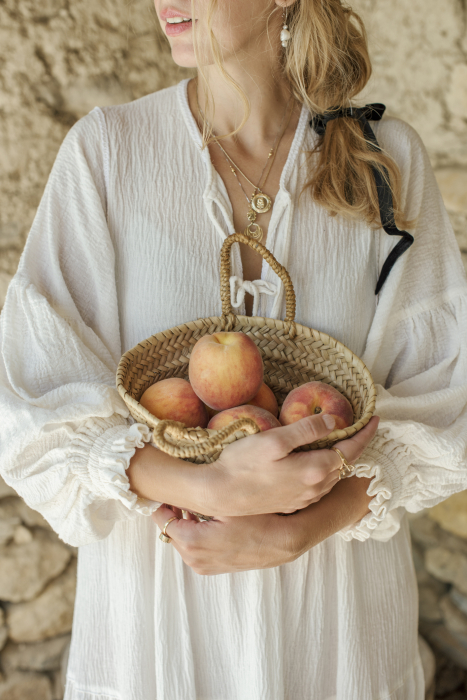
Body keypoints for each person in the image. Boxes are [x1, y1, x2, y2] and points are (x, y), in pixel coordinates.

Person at [0, 0, 466, 698]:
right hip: (161, 614)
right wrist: (201, 487)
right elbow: (34, 396)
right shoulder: (107, 152)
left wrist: (300, 531)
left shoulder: (384, 157)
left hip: (335, 615)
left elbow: (443, 389)